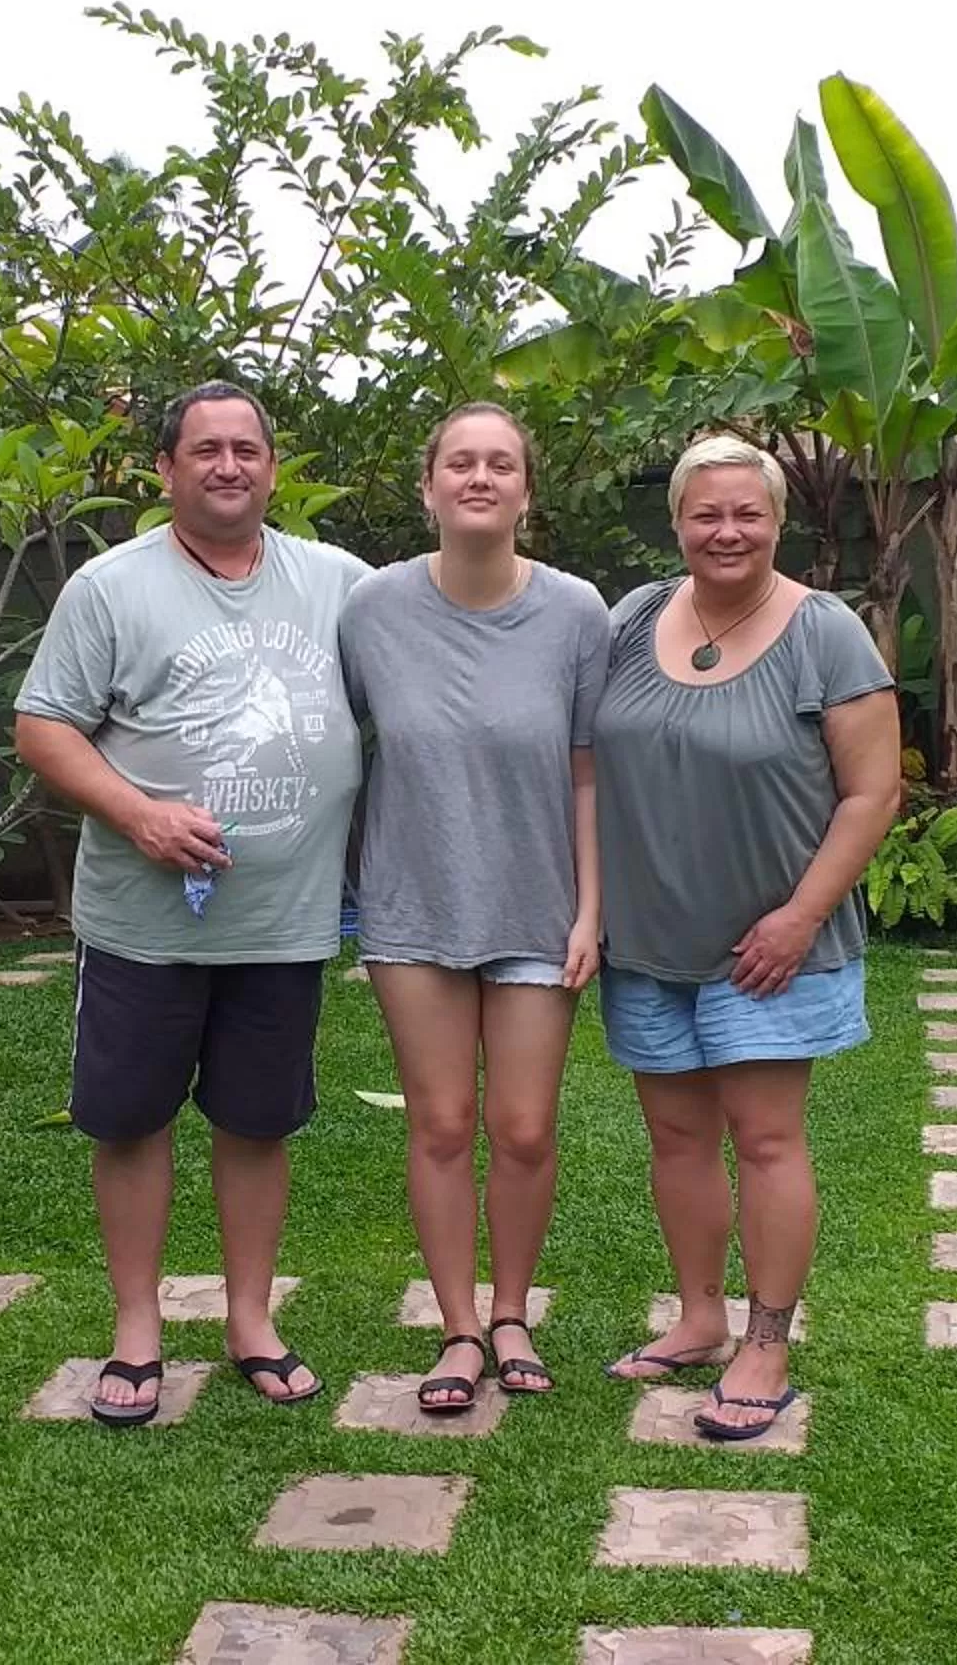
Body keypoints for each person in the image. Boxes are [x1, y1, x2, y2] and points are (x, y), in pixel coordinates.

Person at [13, 380, 372, 1427]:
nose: (228, 465)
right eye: (205, 449)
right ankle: (137, 1326)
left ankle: (251, 1317)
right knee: (131, 1120)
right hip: (142, 920)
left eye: (248, 448)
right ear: (165, 470)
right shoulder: (110, 588)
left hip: (283, 920)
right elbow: (45, 727)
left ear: (272, 465)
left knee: (257, 1121)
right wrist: (139, 814)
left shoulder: (340, 581)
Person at [591, 433, 900, 1442]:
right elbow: (591, 762)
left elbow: (871, 792)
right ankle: (698, 1317)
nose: (727, 530)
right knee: (676, 1138)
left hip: (771, 944)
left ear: (779, 521)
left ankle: (766, 1342)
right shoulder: (634, 617)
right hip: (650, 938)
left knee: (766, 1138)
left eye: (747, 513)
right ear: (677, 520)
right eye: (705, 513)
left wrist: (800, 914)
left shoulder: (826, 631)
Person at [339, 402, 609, 1413]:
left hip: (541, 906)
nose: (481, 477)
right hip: (414, 906)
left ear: (527, 491)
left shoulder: (579, 612)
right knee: (443, 1121)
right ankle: (458, 1326)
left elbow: (590, 773)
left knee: (526, 1124)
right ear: (429, 487)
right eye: (461, 462)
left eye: (502, 463)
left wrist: (591, 908)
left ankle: (512, 1310)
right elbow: (338, 742)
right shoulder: (371, 609)